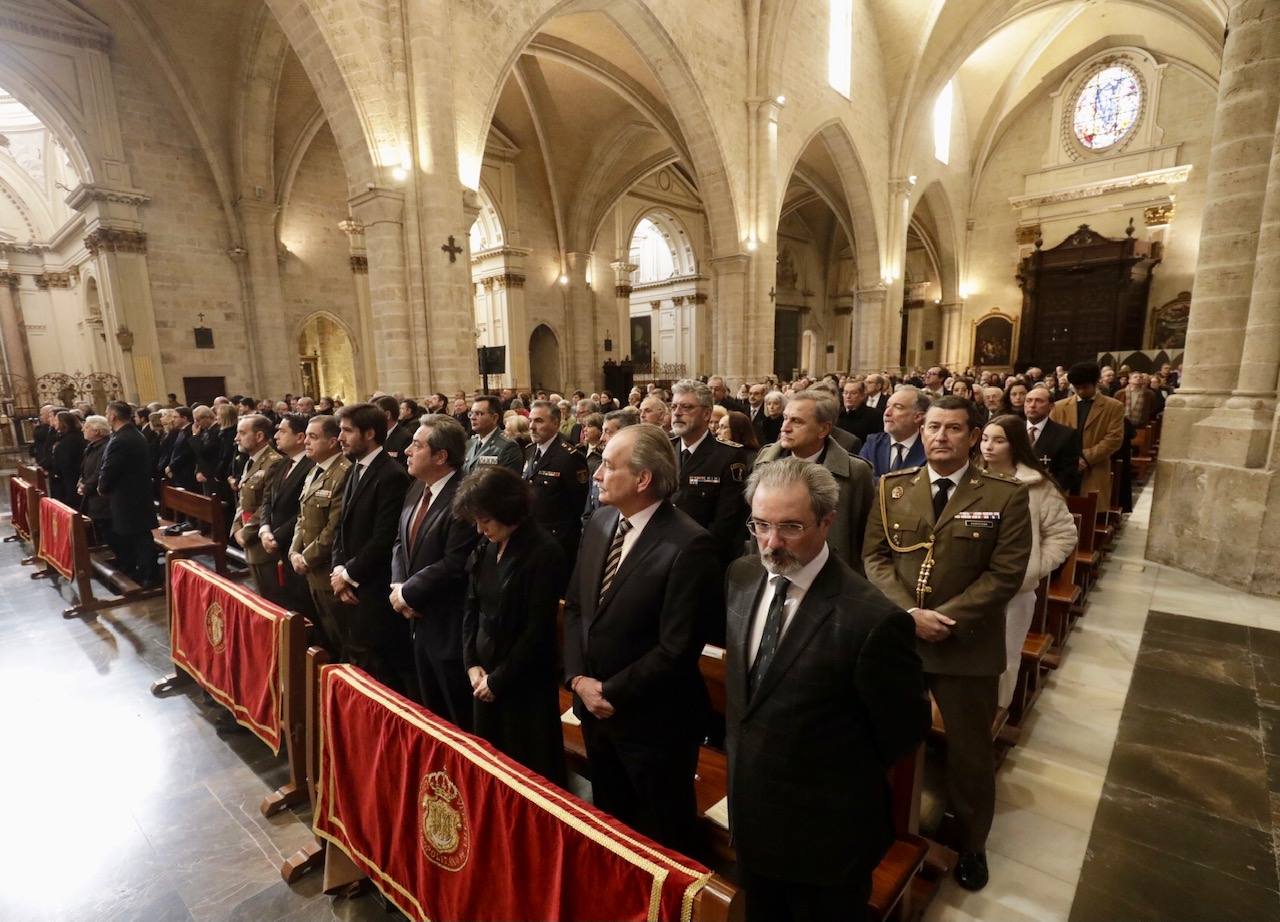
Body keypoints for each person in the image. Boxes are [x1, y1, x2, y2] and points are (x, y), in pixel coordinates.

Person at [726, 459, 929, 922]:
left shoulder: (872, 620)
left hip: (825, 837)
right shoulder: (741, 576)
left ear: (827, 521)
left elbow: (901, 731)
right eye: (761, 525)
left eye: (791, 527)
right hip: (751, 814)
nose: (772, 543)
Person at [863, 396, 1030, 892]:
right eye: (933, 426)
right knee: (885, 735)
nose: (940, 436)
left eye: (954, 429)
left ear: (973, 436)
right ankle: (883, 825)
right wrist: (909, 615)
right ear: (921, 427)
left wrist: (946, 619)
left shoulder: (1004, 494)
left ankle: (973, 842)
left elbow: (1006, 574)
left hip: (966, 646)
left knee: (970, 754)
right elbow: (873, 558)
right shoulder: (893, 488)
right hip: (901, 638)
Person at [563, 424, 720, 853]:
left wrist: (607, 691)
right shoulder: (600, 521)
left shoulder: (689, 545)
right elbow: (577, 606)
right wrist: (578, 679)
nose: (596, 473)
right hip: (595, 711)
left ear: (642, 479)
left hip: (652, 725)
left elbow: (677, 647)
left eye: (609, 466)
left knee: (661, 838)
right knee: (612, 826)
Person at [455, 466, 567, 784]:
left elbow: (537, 630)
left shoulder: (543, 552)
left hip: (523, 683)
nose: (480, 529)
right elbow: (472, 605)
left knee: (526, 773)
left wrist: (497, 681)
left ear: (508, 509)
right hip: (484, 678)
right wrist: (471, 663)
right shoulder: (489, 545)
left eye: (485, 520)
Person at [979, 416, 1076, 709]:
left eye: (998, 440)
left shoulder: (1037, 486)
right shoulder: (969, 479)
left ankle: (996, 713)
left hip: (1014, 591)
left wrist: (1033, 566)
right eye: (985, 439)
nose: (988, 446)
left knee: (1005, 657)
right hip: (971, 584)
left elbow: (1063, 535)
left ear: (1016, 444)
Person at [390, 414, 479, 727]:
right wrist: (398, 583)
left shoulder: (464, 496)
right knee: (432, 713)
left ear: (441, 456)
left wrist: (408, 592)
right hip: (417, 620)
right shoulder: (417, 487)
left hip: (448, 624)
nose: (407, 452)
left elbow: (455, 563)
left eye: (417, 445)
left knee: (457, 717)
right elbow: (400, 541)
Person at [330, 402, 413, 693]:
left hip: (374, 590)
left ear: (369, 434)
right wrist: (339, 570)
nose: (340, 437)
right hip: (354, 585)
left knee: (387, 673)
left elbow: (384, 538)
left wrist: (349, 574)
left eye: (347, 431)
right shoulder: (357, 469)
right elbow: (342, 526)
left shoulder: (391, 475)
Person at [753, 388, 874, 574]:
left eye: (796, 421)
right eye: (785, 418)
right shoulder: (764, 460)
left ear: (823, 429)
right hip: (773, 569)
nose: (784, 427)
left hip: (830, 578)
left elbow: (865, 537)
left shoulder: (856, 472)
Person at [669, 379, 750, 579]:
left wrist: (692, 555)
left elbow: (726, 524)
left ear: (706, 414)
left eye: (686, 407)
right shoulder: (663, 450)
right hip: (661, 556)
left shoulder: (728, 456)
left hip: (702, 562)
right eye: (674, 406)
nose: (677, 412)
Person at [289, 415, 353, 658]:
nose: (306, 441)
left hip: (327, 569)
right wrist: (294, 551)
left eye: (313, 437)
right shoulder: (315, 470)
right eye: (305, 436)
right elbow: (302, 517)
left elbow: (334, 526)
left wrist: (306, 558)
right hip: (311, 570)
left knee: (344, 637)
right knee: (327, 634)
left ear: (333, 441)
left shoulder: (344, 472)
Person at [255, 414, 315, 613]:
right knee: (281, 600)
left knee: (302, 604)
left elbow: (302, 510)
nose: (276, 435)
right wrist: (264, 529)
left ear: (299, 437)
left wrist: (277, 537)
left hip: (295, 543)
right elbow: (267, 500)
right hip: (273, 541)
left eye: (282, 431)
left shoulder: (311, 466)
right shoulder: (280, 464)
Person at [522, 400, 589, 576]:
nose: (532, 427)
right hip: (532, 536)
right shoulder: (530, 451)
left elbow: (579, 505)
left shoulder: (569, 457)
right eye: (530, 420)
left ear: (556, 423)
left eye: (539, 421)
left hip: (558, 541)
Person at [97, 402, 160, 586]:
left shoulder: (122, 439)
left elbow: (110, 467)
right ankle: (144, 571)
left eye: (107, 412)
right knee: (138, 535)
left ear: (114, 416)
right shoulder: (131, 434)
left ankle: (149, 576)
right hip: (135, 494)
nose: (106, 415)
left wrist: (102, 486)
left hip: (128, 496)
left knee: (139, 537)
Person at [1049, 361, 1125, 500]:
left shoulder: (1113, 406)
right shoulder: (1059, 407)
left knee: (1089, 511)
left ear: (1096, 383)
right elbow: (1051, 435)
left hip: (1094, 468)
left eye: (1085, 387)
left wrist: (1085, 458)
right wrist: (1070, 460)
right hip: (1063, 469)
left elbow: (1114, 439)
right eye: (1077, 388)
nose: (1081, 391)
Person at [232, 415, 285, 598]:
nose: (236, 438)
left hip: (262, 540)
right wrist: (236, 528)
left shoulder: (274, 462)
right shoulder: (251, 461)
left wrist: (245, 533)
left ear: (260, 436)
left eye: (242, 433)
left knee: (272, 596)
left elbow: (267, 504)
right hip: (249, 538)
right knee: (262, 593)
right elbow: (243, 499)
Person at [860, 387, 928, 479]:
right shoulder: (873, 443)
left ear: (918, 417)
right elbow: (862, 480)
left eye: (898, 407)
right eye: (887, 407)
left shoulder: (929, 447)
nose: (887, 413)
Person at [1023, 385, 1081, 493]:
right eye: (1028, 401)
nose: (1032, 405)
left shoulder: (1066, 435)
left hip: (1048, 494)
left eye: (1039, 401)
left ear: (1051, 406)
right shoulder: (1012, 430)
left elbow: (1068, 474)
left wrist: (1047, 491)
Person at [463, 395, 524, 474]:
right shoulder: (470, 444)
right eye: (471, 413)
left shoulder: (507, 447)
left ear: (494, 418)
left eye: (478, 413)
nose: (472, 417)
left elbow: (509, 483)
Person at [77, 415, 113, 545]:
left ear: (97, 431)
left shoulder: (105, 447)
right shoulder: (92, 446)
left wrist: (86, 486)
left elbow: (100, 471)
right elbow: (85, 467)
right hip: (93, 496)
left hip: (102, 498)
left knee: (108, 532)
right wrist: (81, 480)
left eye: (86, 427)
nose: (82, 430)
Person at [49, 411, 86, 509]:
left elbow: (64, 464)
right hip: (74, 479)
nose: (54, 422)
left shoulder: (67, 441)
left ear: (63, 423)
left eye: (56, 420)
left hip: (70, 482)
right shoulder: (75, 436)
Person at [377, 394, 413, 466]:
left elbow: (406, 469)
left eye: (375, 414)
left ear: (387, 415)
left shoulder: (406, 438)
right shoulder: (375, 436)